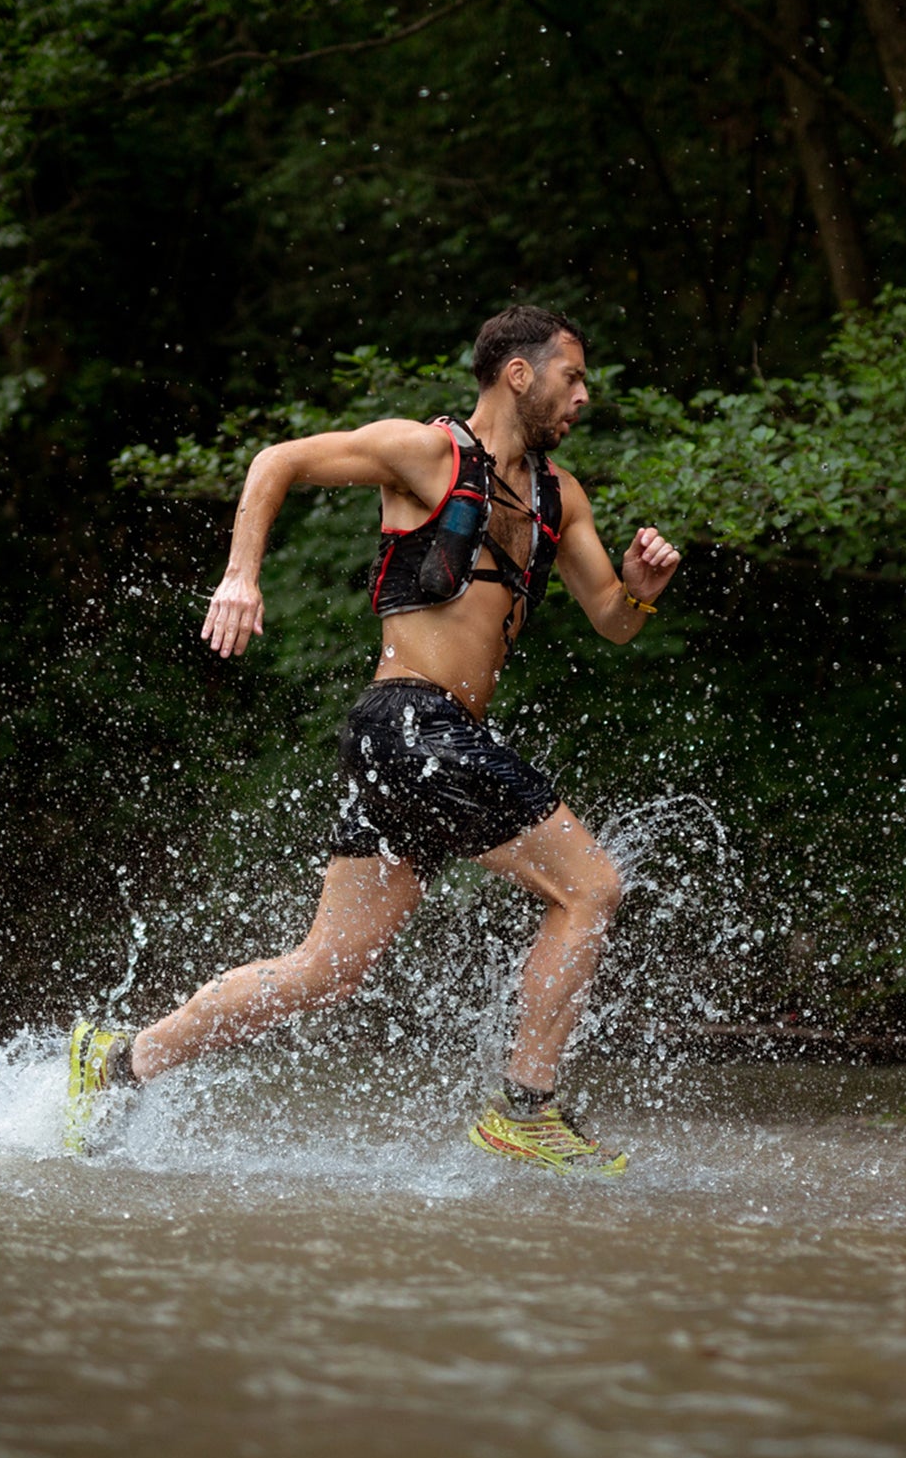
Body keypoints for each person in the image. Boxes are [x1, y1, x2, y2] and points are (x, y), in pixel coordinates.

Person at [66, 306, 680, 1174]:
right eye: (571, 377)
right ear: (518, 374)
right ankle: (528, 1107)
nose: (583, 394)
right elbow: (278, 460)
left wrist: (643, 590)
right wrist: (241, 575)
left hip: (418, 740)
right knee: (591, 886)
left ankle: (121, 1060)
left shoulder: (560, 497)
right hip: (410, 722)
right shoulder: (426, 453)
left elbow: (612, 620)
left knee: (329, 969)